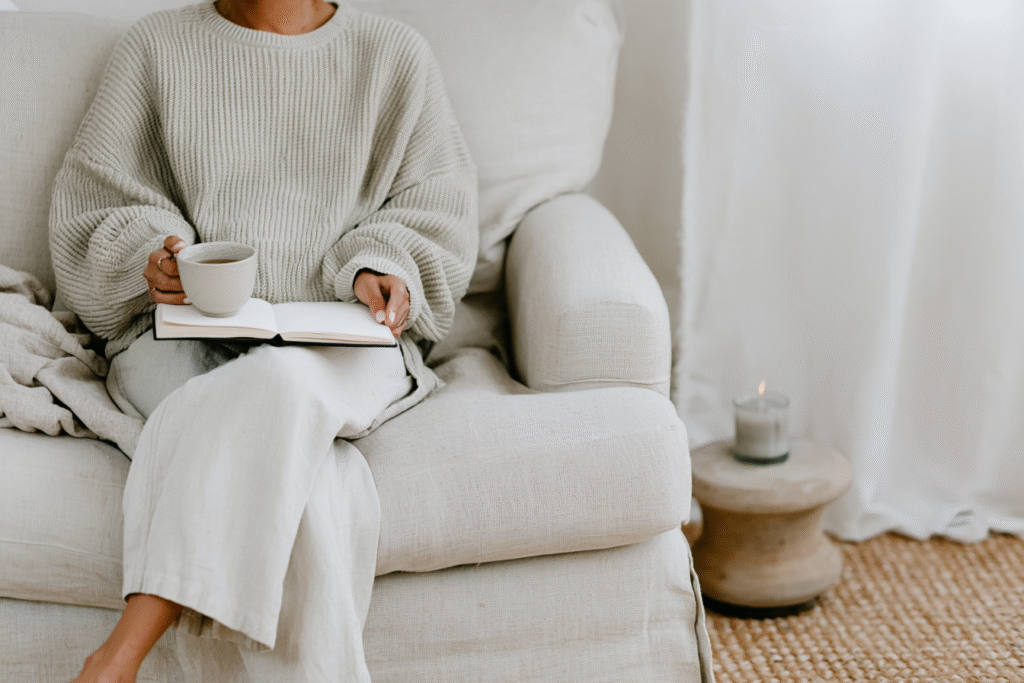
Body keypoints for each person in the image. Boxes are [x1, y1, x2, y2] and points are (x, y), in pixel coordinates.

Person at [48, 0, 478, 680]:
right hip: (182, 341)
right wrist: (152, 258)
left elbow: (436, 213)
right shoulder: (155, 48)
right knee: (312, 483)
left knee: (281, 384)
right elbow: (94, 204)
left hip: (344, 341)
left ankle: (119, 654)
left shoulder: (394, 56)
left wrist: (379, 267)